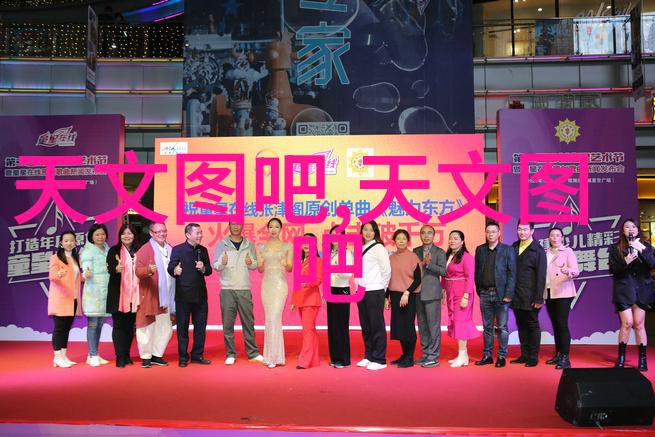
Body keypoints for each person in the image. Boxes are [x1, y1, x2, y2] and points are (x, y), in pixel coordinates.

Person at [212, 222, 263, 365]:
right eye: (233, 224)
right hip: (227, 289)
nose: (236, 227)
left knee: (248, 322)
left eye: (238, 224)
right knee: (227, 323)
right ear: (229, 226)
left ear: (242, 226)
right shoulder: (222, 244)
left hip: (244, 288)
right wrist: (222, 263)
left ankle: (253, 353)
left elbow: (255, 264)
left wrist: (250, 262)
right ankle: (230, 353)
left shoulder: (249, 244)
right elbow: (215, 265)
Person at [609, 218, 655, 372]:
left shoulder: (646, 246)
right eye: (627, 227)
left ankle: (643, 359)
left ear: (637, 229)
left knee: (639, 323)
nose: (631, 229)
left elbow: (652, 264)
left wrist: (641, 249)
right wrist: (626, 261)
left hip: (642, 290)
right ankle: (621, 356)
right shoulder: (616, 248)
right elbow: (613, 270)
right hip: (624, 290)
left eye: (633, 227)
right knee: (627, 323)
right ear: (623, 231)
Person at [167, 223, 213, 367]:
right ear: (188, 235)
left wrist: (203, 268)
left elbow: (209, 270)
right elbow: (170, 267)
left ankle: (197, 355)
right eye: (197, 233)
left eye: (201, 232)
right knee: (182, 328)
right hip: (183, 296)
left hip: (200, 296)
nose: (200, 235)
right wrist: (175, 270)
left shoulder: (203, 250)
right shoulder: (178, 249)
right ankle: (183, 357)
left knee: (200, 328)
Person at [474, 222, 516, 368]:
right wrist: (479, 289)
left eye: (493, 231)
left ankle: (502, 356)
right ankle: (487, 355)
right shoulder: (480, 250)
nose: (490, 234)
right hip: (485, 293)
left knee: (502, 327)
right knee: (487, 327)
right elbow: (477, 271)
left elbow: (512, 274)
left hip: (501, 294)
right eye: (488, 231)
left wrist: (508, 294)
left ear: (499, 233)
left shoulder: (508, 250)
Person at [134, 222, 176, 368]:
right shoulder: (145, 249)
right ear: (151, 233)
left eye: (164, 231)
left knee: (165, 327)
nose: (162, 234)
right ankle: (146, 356)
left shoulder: (170, 249)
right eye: (158, 232)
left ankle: (156, 354)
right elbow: (138, 271)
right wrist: (148, 270)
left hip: (167, 296)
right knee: (147, 326)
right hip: (151, 294)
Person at [256, 218, 292, 368]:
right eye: (271, 227)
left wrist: (285, 263)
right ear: (267, 229)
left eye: (276, 227)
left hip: (280, 285)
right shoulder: (261, 247)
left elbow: (290, 268)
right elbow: (260, 269)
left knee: (274, 317)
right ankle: (273, 356)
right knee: (269, 319)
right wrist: (259, 262)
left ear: (281, 229)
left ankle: (273, 357)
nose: (273, 229)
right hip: (267, 285)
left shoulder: (287, 246)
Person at [355, 220, 391, 371]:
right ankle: (369, 355)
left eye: (371, 230)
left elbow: (386, 271)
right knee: (366, 326)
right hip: (361, 291)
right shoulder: (359, 247)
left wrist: (382, 289)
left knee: (376, 325)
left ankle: (380, 359)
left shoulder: (379, 248)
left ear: (376, 232)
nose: (368, 233)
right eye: (365, 230)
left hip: (374, 290)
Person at [511, 222, 547, 367]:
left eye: (525, 229)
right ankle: (524, 354)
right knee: (521, 324)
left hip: (531, 295)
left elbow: (541, 276)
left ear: (532, 231)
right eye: (519, 229)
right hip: (516, 293)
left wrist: (538, 297)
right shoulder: (514, 246)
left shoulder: (538, 250)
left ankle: (533, 356)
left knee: (532, 324)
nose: (522, 232)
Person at [443, 230, 480, 368]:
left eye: (456, 238)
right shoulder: (448, 255)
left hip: (462, 293)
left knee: (461, 323)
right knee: (455, 322)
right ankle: (463, 356)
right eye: (450, 238)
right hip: (451, 292)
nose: (452, 241)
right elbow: (444, 275)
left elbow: (470, 278)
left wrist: (466, 296)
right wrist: (443, 290)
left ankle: (462, 354)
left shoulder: (467, 257)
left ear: (462, 241)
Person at [544, 227, 579, 370]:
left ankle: (565, 357)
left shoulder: (567, 251)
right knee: (556, 325)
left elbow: (576, 271)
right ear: (549, 238)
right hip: (549, 292)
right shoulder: (545, 253)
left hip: (563, 292)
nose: (555, 238)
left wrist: (568, 270)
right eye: (552, 235)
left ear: (562, 238)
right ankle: (558, 354)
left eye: (558, 235)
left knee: (562, 324)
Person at [386, 229, 422, 368]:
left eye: (403, 238)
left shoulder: (413, 257)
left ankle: (409, 357)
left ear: (408, 241)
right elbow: (388, 279)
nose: (401, 241)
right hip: (395, 296)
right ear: (394, 241)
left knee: (408, 326)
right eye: (398, 238)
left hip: (409, 296)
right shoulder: (391, 258)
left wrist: (407, 293)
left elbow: (418, 279)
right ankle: (405, 354)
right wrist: (386, 297)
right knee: (399, 327)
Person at [107, 224, 140, 368]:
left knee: (129, 326)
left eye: (130, 233)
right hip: (118, 295)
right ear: (120, 236)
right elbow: (110, 267)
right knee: (119, 326)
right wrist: (116, 269)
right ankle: (120, 356)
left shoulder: (139, 250)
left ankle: (126, 354)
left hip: (135, 295)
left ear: (134, 235)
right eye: (124, 233)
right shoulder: (114, 250)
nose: (127, 236)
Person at [413, 224, 446, 368]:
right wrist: (422, 263)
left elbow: (444, 271)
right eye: (423, 233)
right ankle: (426, 353)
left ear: (434, 235)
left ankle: (433, 356)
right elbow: (413, 271)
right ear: (420, 235)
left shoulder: (440, 252)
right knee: (422, 326)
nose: (426, 236)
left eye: (429, 233)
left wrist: (429, 264)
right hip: (418, 293)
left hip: (432, 294)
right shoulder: (415, 251)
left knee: (433, 326)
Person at [48, 231, 82, 368]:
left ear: (75, 242)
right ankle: (57, 357)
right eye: (66, 240)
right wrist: (58, 274)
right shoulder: (55, 257)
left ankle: (63, 356)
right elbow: (52, 276)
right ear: (61, 243)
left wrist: (86, 276)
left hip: (73, 299)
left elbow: (76, 278)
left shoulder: (75, 258)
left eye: (72, 240)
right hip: (61, 299)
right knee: (60, 329)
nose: (69, 243)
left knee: (67, 328)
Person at [290, 233, 322, 369]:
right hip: (301, 300)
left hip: (311, 299)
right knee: (310, 330)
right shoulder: (301, 261)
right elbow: (296, 283)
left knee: (307, 331)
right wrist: (293, 300)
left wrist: (306, 283)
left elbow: (318, 280)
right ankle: (313, 360)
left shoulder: (317, 260)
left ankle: (304, 361)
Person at [80, 223, 111, 367]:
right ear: (91, 236)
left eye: (102, 234)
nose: (100, 237)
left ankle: (94, 354)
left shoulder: (107, 249)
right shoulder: (88, 251)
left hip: (105, 291)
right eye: (97, 234)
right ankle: (92, 354)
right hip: (93, 293)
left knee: (100, 324)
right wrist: (85, 274)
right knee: (93, 324)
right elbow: (85, 269)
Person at [327, 225, 354, 369]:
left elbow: (349, 274)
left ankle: (344, 359)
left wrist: (337, 268)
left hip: (342, 290)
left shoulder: (347, 253)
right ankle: (335, 357)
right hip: (331, 290)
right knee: (332, 326)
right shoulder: (330, 253)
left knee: (341, 326)